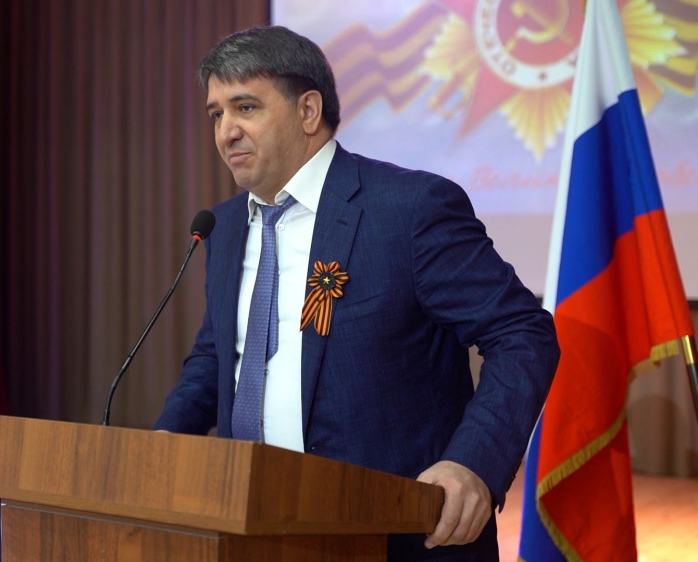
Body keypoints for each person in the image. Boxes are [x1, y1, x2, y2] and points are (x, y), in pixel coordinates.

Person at [153, 25, 559, 561]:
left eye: (245, 107)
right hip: (251, 529)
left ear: (308, 111)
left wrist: (473, 464)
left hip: (395, 535)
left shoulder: (408, 209)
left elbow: (522, 333)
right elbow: (219, 355)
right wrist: (162, 444)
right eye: (215, 114)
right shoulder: (225, 226)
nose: (226, 131)